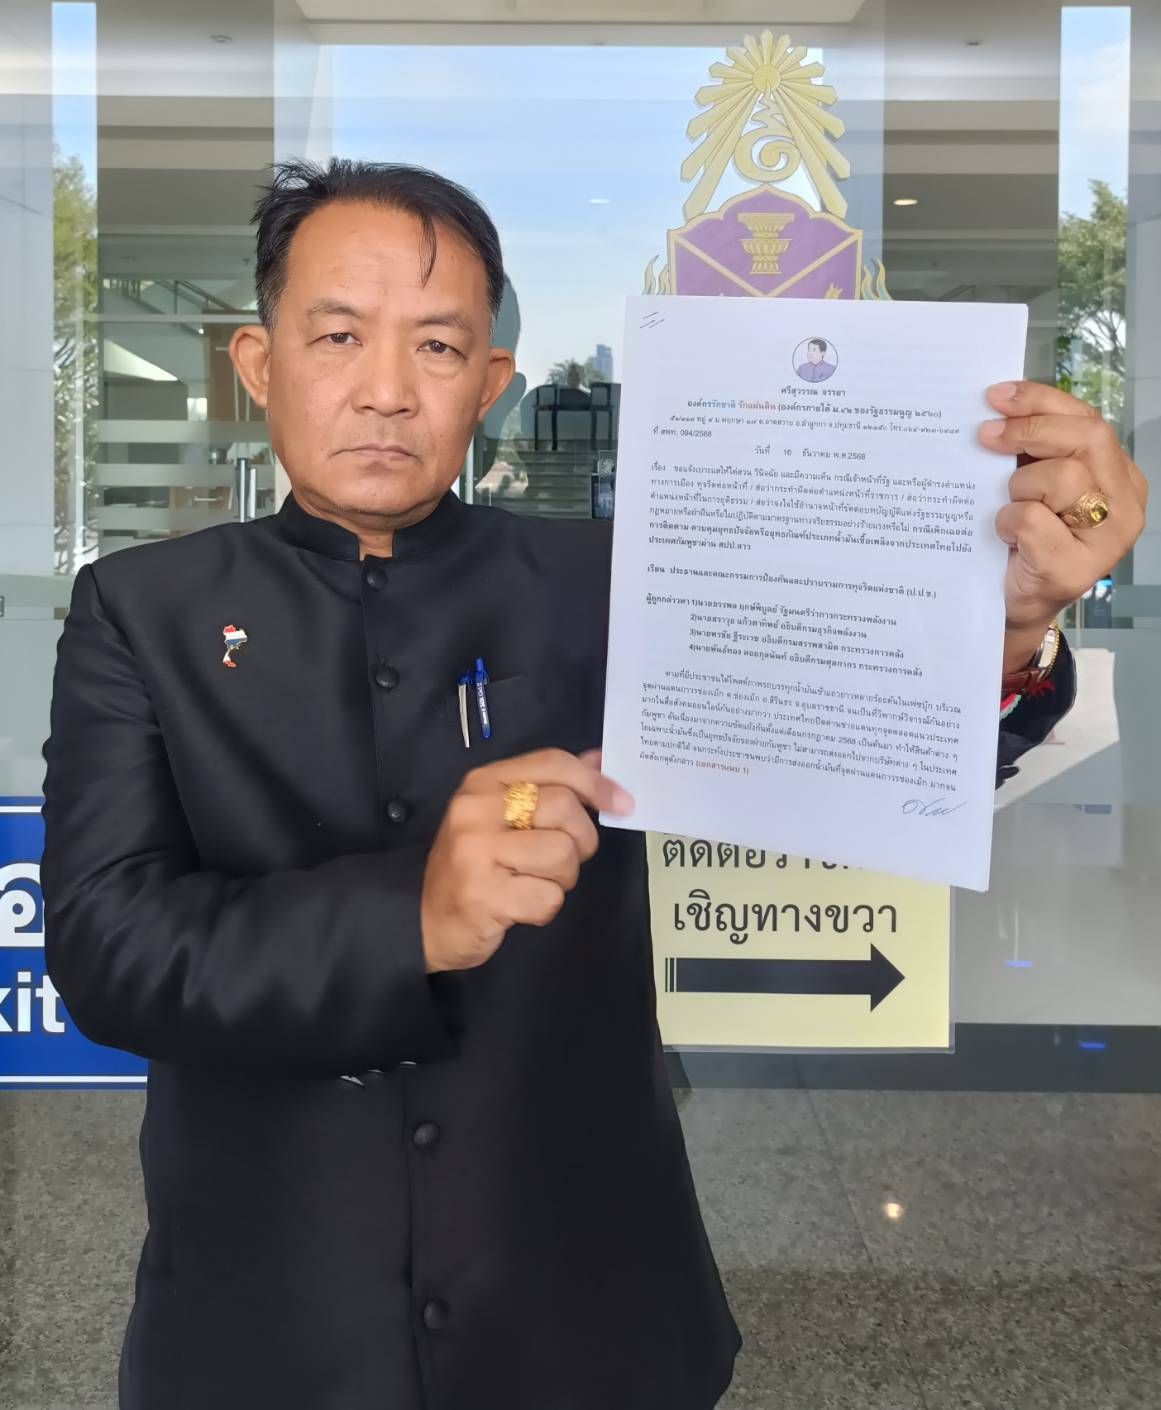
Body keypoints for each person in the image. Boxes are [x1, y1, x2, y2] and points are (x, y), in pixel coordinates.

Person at [40, 158, 1146, 1410]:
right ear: (258, 362)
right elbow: (108, 947)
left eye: (439, 346)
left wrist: (1007, 625)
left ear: (490, 383)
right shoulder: (143, 612)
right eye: (338, 335)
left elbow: (842, 744)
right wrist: (414, 917)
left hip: (584, 1302)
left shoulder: (620, 581)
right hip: (265, 1318)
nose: (387, 389)